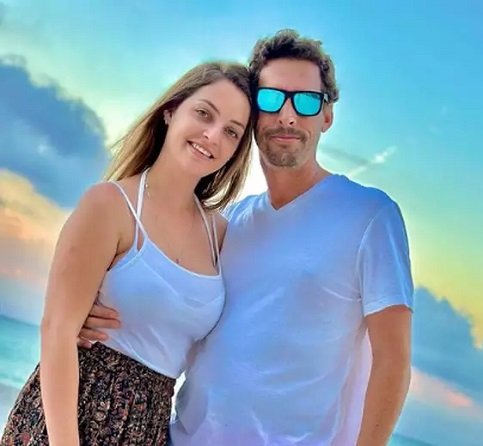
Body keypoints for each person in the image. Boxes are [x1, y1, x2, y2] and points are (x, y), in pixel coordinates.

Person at [80, 29, 414, 446]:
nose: (288, 116)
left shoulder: (369, 215)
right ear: (253, 112)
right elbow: (179, 310)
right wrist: (91, 316)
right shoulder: (231, 222)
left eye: (306, 101)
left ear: (327, 116)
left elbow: (393, 359)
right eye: (271, 99)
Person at [1, 61, 254, 445]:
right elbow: (57, 331)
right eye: (204, 113)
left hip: (148, 427)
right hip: (71, 416)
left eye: (231, 131)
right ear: (171, 111)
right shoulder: (110, 205)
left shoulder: (220, 235)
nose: (213, 135)